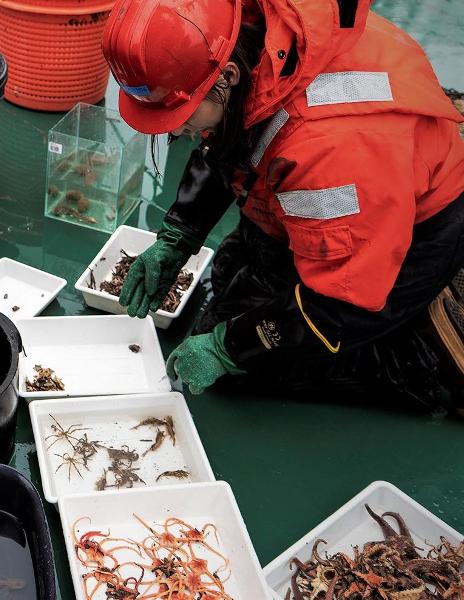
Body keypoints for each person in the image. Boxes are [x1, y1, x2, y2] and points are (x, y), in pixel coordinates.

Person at [102, 0, 464, 411]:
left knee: (252, 367)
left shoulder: (326, 154)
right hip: (343, 188)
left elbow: (336, 305)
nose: (177, 131)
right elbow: (227, 137)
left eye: (180, 116)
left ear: (229, 76)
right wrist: (178, 236)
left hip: (412, 231)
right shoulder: (243, 36)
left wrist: (227, 350)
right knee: (227, 279)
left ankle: (421, 354)